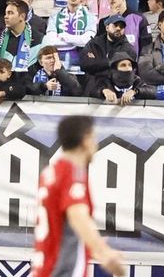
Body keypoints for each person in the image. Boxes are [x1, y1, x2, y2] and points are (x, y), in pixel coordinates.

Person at [33, 114, 126, 277]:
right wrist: (104, 252)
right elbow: (77, 216)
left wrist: (88, 242)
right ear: (85, 140)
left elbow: (63, 224)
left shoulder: (51, 172)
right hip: (62, 271)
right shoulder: (72, 172)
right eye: (94, 138)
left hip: (44, 268)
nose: (96, 145)